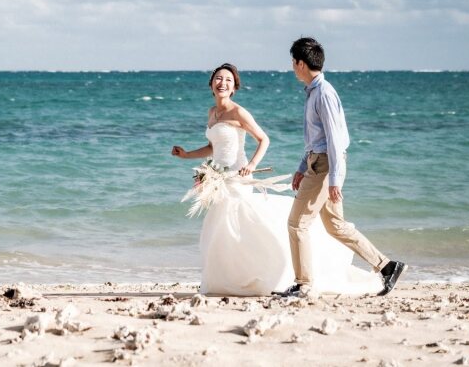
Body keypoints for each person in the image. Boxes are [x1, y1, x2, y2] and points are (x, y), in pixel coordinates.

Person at [172, 63, 382, 296]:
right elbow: (214, 147)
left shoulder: (238, 112)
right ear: (212, 84)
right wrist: (186, 155)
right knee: (221, 228)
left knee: (240, 224)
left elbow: (264, 139)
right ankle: (230, 278)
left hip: (238, 176)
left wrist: (251, 165)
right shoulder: (212, 113)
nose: (223, 83)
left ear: (234, 88)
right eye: (219, 79)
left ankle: (276, 272)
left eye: (229, 80)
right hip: (219, 179)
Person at [278, 38, 406, 298]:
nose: (292, 67)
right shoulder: (314, 92)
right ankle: (387, 266)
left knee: (296, 224)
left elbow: (335, 139)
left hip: (326, 166)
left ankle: (304, 285)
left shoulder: (324, 93)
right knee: (335, 225)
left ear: (301, 63)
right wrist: (302, 167)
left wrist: (335, 178)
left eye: (293, 62)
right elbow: (318, 138)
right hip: (319, 163)